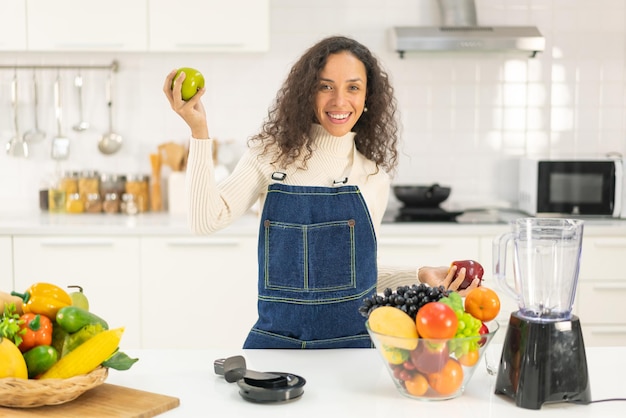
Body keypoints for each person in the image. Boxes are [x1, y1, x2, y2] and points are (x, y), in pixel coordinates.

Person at [163, 35, 478, 349]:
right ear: (307, 93)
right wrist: (198, 131)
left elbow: (357, 275)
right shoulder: (269, 156)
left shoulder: (372, 176)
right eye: (326, 86)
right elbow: (205, 221)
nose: (340, 101)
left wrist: (422, 274)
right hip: (277, 346)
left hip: (352, 350)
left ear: (368, 97)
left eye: (353, 87)